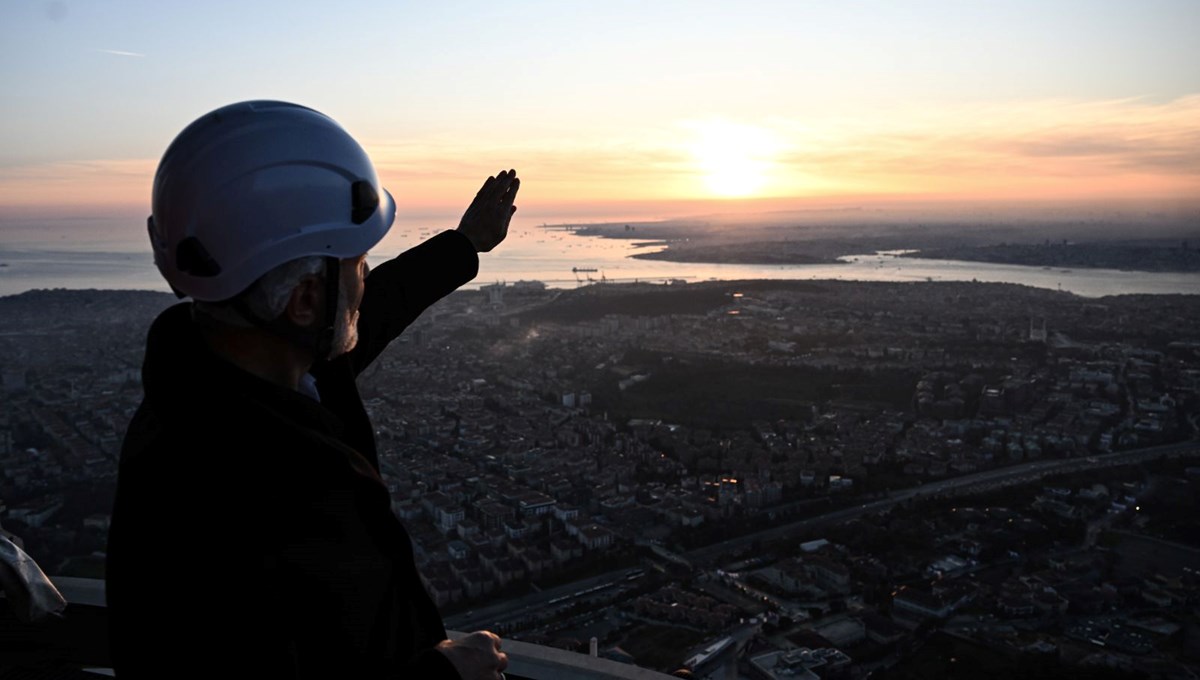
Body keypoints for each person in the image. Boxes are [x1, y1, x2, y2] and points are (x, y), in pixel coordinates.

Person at [105, 100, 518, 679]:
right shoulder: (236, 505)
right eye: (358, 262)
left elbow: (369, 312)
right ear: (304, 301)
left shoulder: (236, 376)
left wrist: (463, 245)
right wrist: (445, 677)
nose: (366, 277)